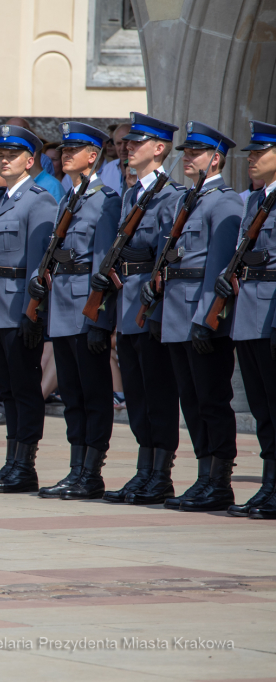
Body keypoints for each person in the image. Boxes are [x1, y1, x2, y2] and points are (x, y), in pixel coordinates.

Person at [141, 122, 242, 512]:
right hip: (176, 312)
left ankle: (219, 480)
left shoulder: (225, 202)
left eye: (195, 153)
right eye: (185, 151)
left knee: (212, 399)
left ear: (215, 159)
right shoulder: (187, 200)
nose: (187, 157)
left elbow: (217, 267)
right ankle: (203, 477)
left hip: (202, 316)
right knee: (191, 400)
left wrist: (206, 319)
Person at [27, 123, 121, 500]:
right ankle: (75, 468)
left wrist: (99, 319)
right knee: (71, 395)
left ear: (93, 156)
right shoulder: (69, 198)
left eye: (74, 150)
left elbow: (103, 265)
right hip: (62, 307)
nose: (65, 155)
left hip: (85, 307)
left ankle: (91, 473)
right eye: (63, 150)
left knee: (93, 394)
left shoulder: (105, 199)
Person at [98, 113, 184, 506]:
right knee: (136, 393)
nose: (128, 147)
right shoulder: (132, 195)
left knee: (157, 393)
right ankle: (143, 469)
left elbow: (167, 255)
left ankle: (160, 475)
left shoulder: (171, 195)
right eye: (127, 142)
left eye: (138, 142)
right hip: (127, 304)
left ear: (159, 148)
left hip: (151, 307)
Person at [0, 124, 57, 494]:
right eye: (0, 155)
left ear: (29, 160)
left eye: (12, 155)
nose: (4, 161)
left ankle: (25, 465)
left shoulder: (39, 201)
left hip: (19, 303)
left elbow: (40, 262)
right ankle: (11, 462)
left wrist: (32, 311)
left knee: (23, 388)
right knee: (5, 389)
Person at [219, 121, 276, 519]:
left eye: (260, 153)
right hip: (249, 315)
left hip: (270, 315)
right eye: (251, 153)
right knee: (262, 407)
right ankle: (269, 482)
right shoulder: (256, 202)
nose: (251, 159)